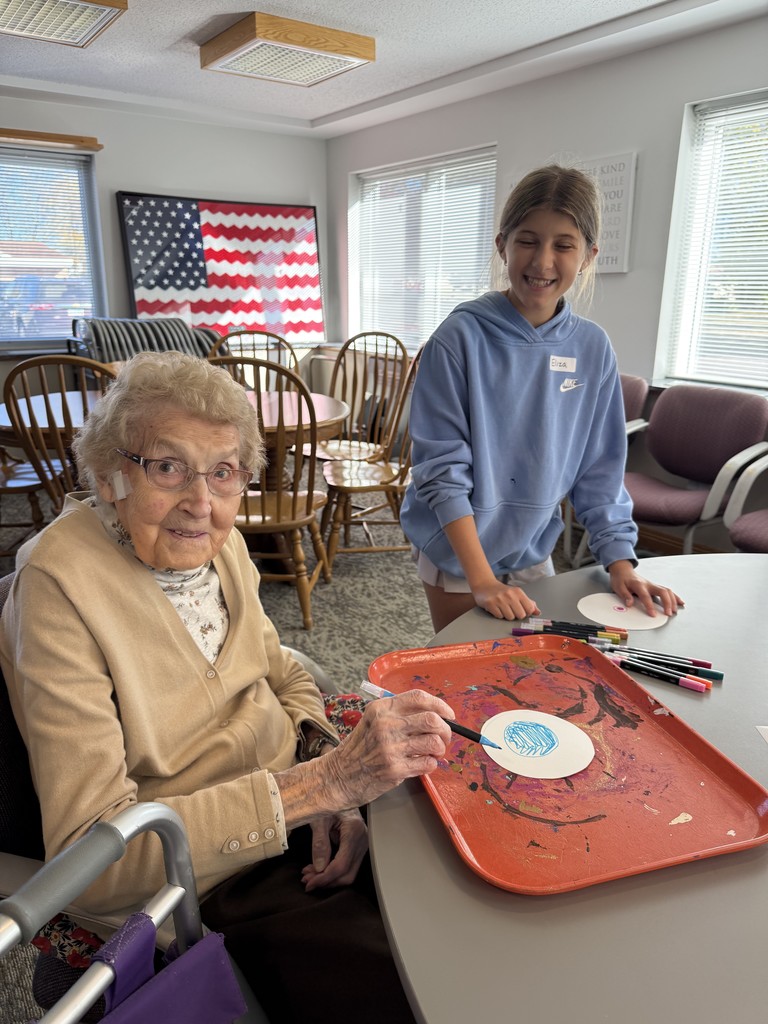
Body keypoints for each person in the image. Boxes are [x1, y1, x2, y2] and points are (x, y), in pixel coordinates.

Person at [0, 351, 454, 1024]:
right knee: (411, 986)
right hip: (204, 872)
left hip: (296, 806)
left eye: (223, 473)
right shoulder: (58, 586)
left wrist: (327, 781)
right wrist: (320, 787)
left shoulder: (224, 544)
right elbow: (93, 861)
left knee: (446, 877)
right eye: (166, 467)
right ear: (107, 473)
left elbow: (286, 673)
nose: (201, 503)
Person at [400, 164, 684, 633]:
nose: (543, 261)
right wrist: (482, 580)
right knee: (469, 669)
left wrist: (621, 563)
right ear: (502, 245)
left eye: (563, 245)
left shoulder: (592, 347)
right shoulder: (459, 338)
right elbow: (441, 470)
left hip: (531, 544)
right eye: (528, 240)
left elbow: (600, 469)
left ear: (589, 255)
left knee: (533, 665)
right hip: (458, 546)